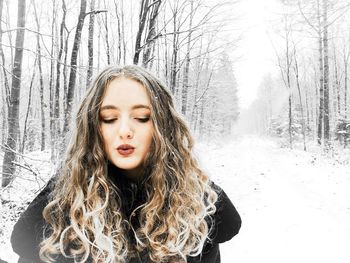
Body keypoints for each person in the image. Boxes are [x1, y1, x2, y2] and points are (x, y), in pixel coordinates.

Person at [11, 65, 241, 263]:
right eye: (109, 119)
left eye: (141, 117)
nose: (124, 131)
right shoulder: (59, 208)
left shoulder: (197, 209)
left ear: (163, 127)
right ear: (92, 129)